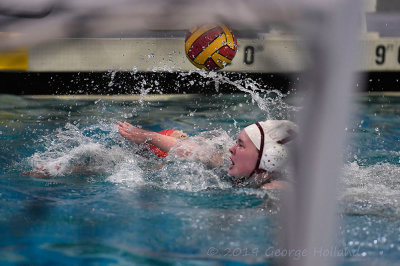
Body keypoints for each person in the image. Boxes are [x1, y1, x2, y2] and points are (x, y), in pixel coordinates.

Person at [117, 120, 298, 190]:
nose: (231, 149)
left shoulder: (279, 188)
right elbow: (196, 152)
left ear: (268, 158)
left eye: (241, 146)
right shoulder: (234, 166)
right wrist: (148, 136)